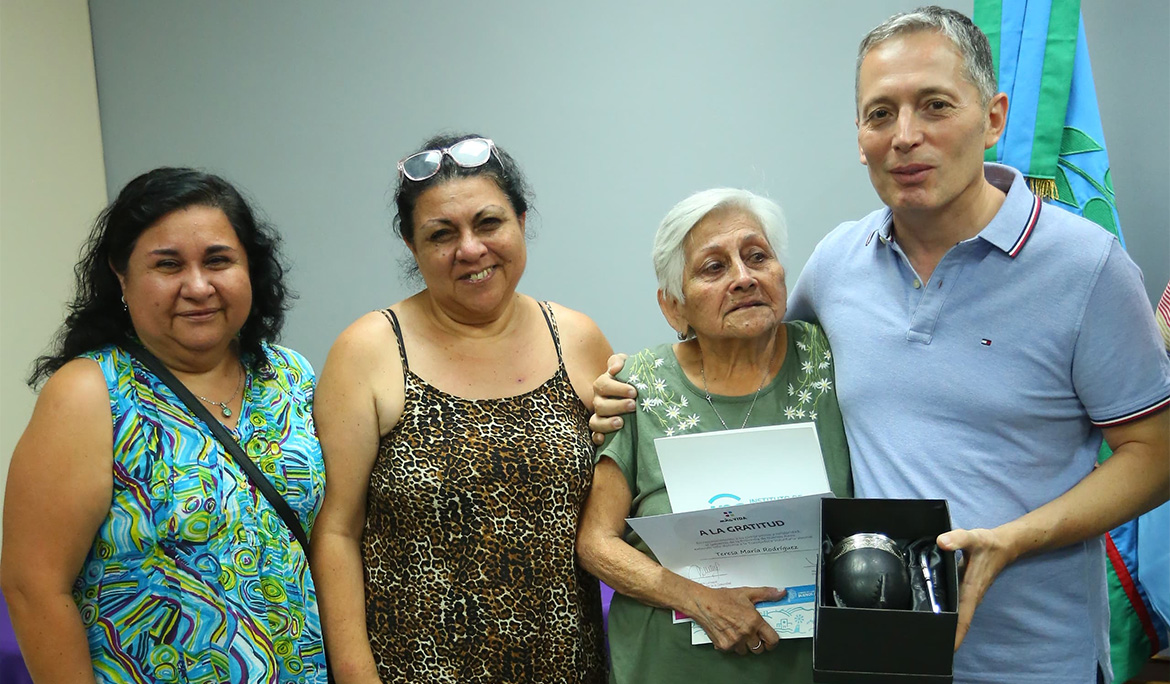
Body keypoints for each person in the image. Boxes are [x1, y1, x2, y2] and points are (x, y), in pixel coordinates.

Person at [591, 7, 1170, 684]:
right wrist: (623, 388)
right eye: (880, 114)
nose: (906, 137)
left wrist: (1012, 541)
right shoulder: (839, 263)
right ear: (859, 137)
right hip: (865, 658)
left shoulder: (1086, 268)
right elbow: (756, 360)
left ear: (994, 117)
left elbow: (1155, 455)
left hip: (1029, 657)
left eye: (934, 105)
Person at [1, 168, 327, 682]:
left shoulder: (290, 376)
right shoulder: (90, 392)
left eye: (218, 260)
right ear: (121, 276)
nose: (198, 286)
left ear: (250, 268)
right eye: (168, 265)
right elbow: (33, 585)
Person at [310, 133, 612, 683]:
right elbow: (336, 531)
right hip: (417, 669)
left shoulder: (577, 338)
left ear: (521, 221)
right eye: (441, 234)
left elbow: (617, 503)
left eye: (489, 223)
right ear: (412, 247)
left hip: (569, 666)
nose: (470, 249)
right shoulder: (370, 350)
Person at [575, 188, 851, 683]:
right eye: (713, 267)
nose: (744, 278)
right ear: (673, 307)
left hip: (808, 665)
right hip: (670, 666)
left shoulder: (833, 356)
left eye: (757, 256)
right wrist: (697, 599)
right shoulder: (639, 383)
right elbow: (596, 543)